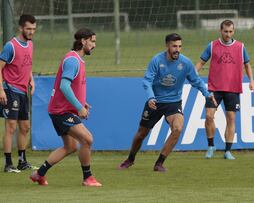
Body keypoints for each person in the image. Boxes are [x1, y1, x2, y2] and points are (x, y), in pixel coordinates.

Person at [118, 33, 217, 172]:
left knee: (177, 128)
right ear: (167, 46)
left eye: (180, 46)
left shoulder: (185, 63)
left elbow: (196, 80)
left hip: (173, 103)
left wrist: (207, 94)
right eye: (174, 46)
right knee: (141, 134)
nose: (177, 49)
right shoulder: (156, 61)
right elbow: (147, 81)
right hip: (155, 102)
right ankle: (130, 159)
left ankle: (159, 163)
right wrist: (151, 97)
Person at [30, 28, 101, 186]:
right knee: (87, 139)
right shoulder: (72, 60)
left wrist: (82, 102)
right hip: (61, 111)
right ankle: (87, 178)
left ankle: (38, 174)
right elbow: (64, 86)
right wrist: (79, 107)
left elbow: (73, 87)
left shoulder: (76, 59)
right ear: (83, 41)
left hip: (61, 109)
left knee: (69, 147)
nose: (94, 45)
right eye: (93, 41)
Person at [195, 20, 254, 160]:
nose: (228, 34)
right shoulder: (212, 45)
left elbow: (247, 65)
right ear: (220, 31)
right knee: (209, 115)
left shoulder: (240, 47)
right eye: (225, 31)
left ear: (233, 31)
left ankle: (227, 151)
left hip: (233, 88)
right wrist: (193, 74)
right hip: (214, 88)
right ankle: (211, 146)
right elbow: (201, 62)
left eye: (230, 31)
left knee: (231, 118)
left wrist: (251, 81)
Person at [0, 14, 37, 173]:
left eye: (34, 29)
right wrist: (1, 90)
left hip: (23, 91)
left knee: (25, 127)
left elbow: (27, 65)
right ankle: (8, 164)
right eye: (28, 28)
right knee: (11, 126)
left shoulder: (30, 44)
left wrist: (31, 79)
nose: (31, 32)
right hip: (10, 90)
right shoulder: (11, 46)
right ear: (21, 28)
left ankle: (22, 161)